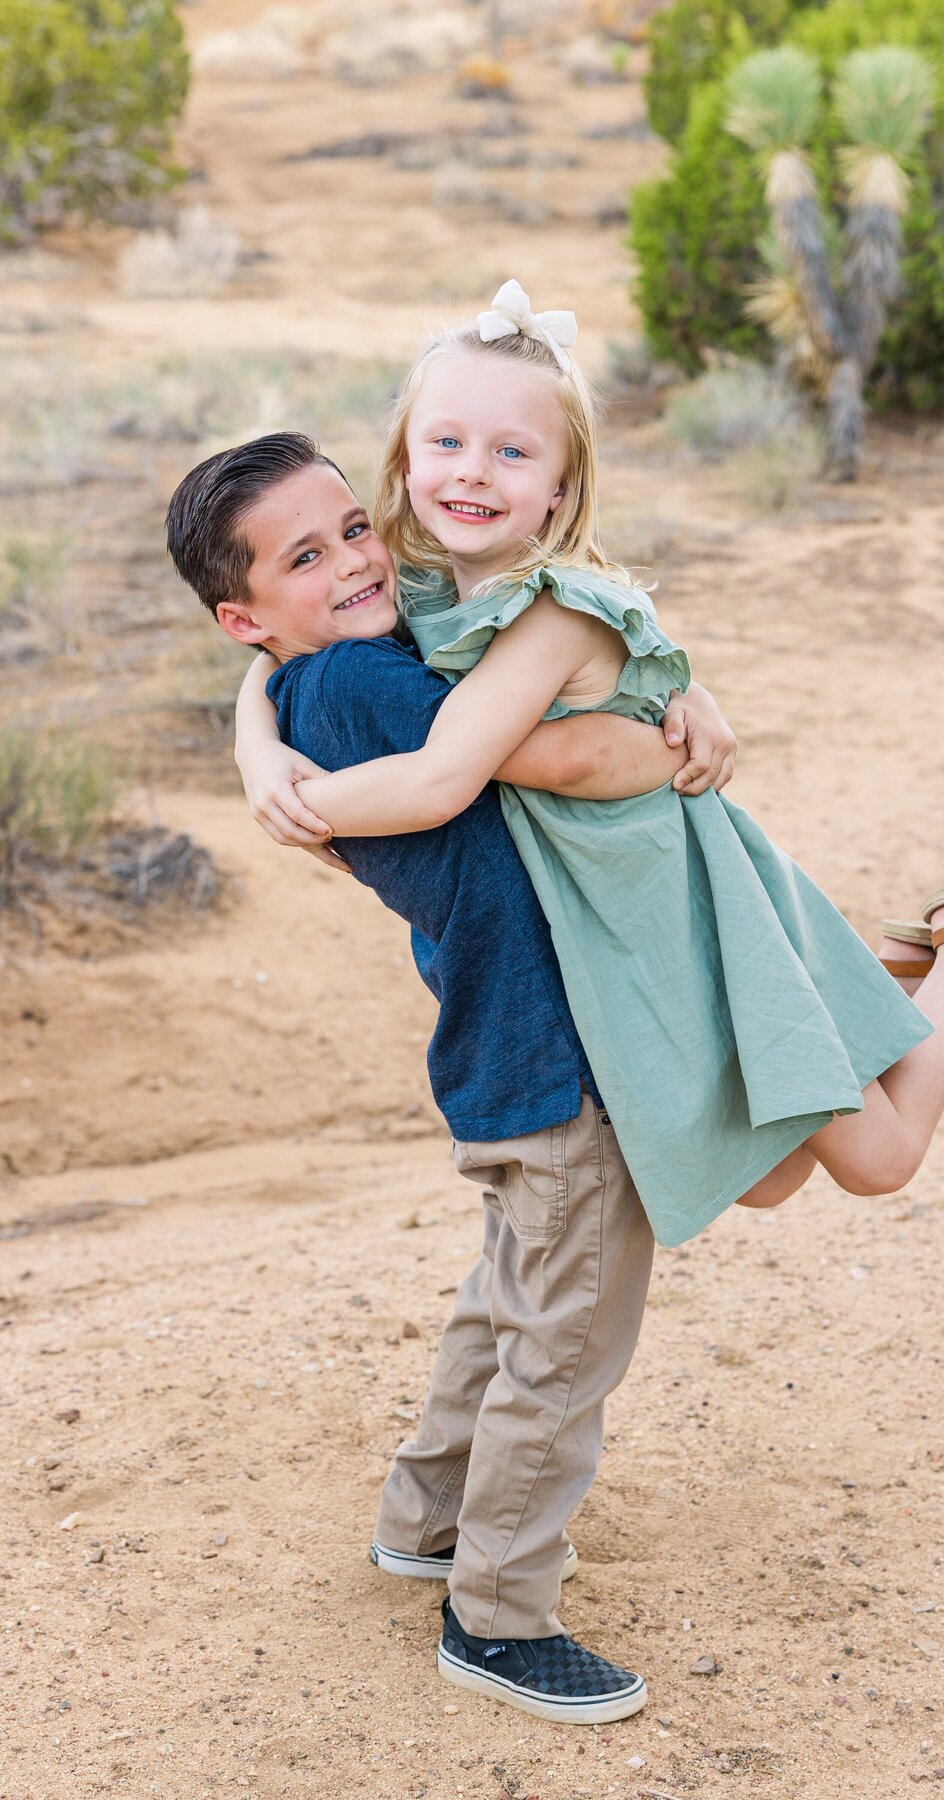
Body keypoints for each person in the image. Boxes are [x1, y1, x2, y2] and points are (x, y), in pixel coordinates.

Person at [234, 279, 944, 1255]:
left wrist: (308, 807)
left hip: (677, 906)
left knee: (880, 1160)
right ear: (405, 458)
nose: (473, 473)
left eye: (512, 453)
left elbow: (449, 775)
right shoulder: (413, 579)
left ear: (559, 487)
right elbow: (269, 652)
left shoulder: (555, 609)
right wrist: (256, 749)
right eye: (447, 444)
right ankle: (869, 978)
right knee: (766, 1179)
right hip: (607, 923)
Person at [165, 430, 744, 1726]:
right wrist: (672, 712)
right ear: (244, 615)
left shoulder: (325, 684)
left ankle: (425, 1520)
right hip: (555, 1047)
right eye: (305, 558)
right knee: (567, 1337)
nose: (360, 561)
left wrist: (253, 718)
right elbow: (565, 745)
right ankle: (498, 1613)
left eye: (354, 529)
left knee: (512, 1296)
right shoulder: (370, 694)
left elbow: (450, 695)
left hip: (495, 1042)